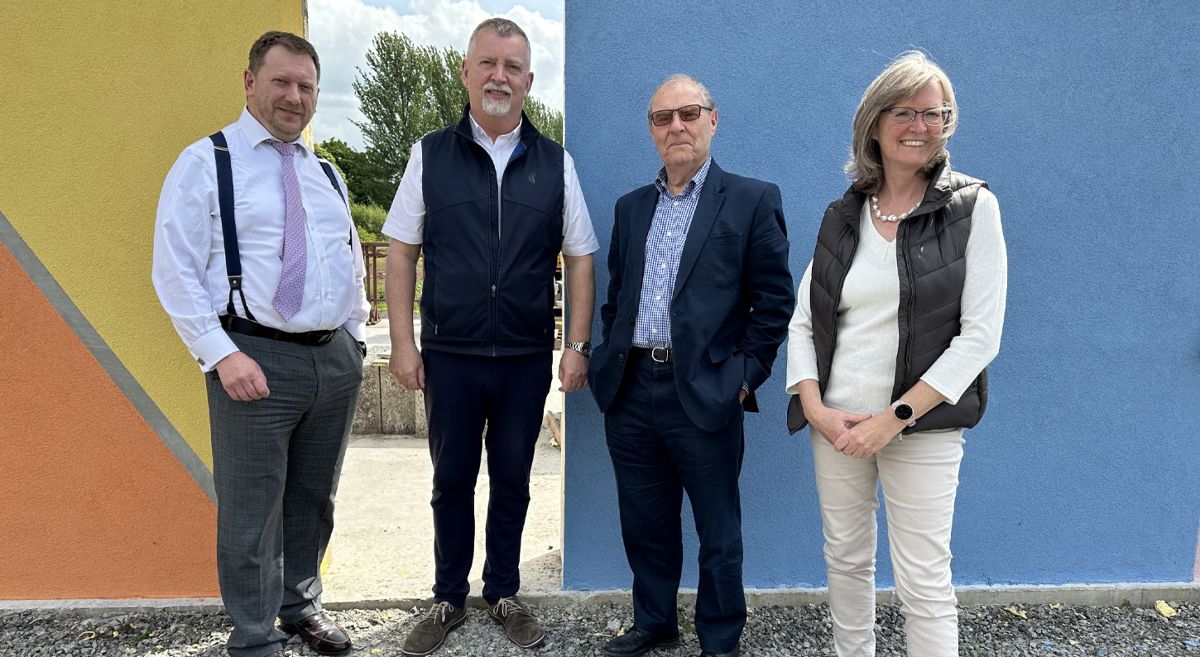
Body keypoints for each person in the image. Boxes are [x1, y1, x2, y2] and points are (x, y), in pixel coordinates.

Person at [381, 17, 598, 657]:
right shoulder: (430, 155)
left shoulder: (555, 163)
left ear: (529, 82)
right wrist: (403, 341)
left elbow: (581, 257)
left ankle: (503, 591)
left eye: (512, 67)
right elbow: (400, 253)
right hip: (449, 355)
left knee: (513, 478)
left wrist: (575, 345)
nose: (498, 76)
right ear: (467, 72)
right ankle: (447, 597)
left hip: (525, 358)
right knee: (451, 479)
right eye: (487, 64)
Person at [152, 31, 368, 657]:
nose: (294, 96)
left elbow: (347, 263)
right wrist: (221, 353)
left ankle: (300, 608)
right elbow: (174, 271)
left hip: (332, 359)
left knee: (312, 498)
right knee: (251, 510)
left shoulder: (326, 172)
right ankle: (252, 637)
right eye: (281, 82)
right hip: (252, 357)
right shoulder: (206, 162)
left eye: (306, 86)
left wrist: (353, 341)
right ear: (250, 83)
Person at [786, 51, 1007, 657]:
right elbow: (804, 321)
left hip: (922, 427)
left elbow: (980, 338)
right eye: (905, 111)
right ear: (874, 124)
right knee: (846, 564)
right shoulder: (843, 216)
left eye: (934, 113)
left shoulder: (972, 209)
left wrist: (895, 419)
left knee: (924, 581)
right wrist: (817, 409)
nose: (920, 125)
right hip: (836, 426)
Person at [588, 74, 794, 657]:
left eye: (688, 113)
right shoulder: (631, 208)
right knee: (644, 522)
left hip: (705, 393)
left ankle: (720, 638)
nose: (675, 126)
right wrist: (610, 355)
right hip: (630, 390)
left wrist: (744, 376)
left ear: (712, 119)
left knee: (718, 532)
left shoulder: (753, 199)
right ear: (652, 130)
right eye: (662, 118)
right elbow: (617, 296)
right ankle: (654, 622)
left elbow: (775, 302)